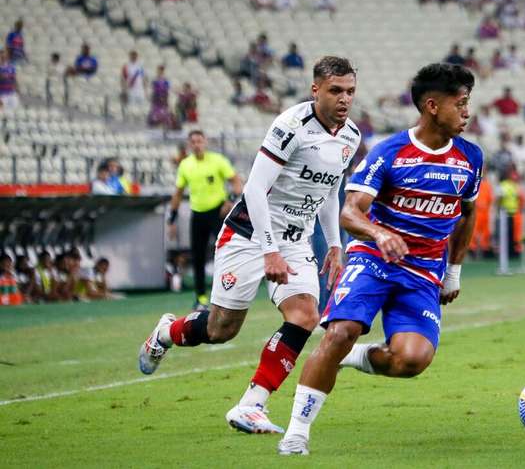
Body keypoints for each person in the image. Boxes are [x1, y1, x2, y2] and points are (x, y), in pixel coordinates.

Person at [139, 57, 360, 435]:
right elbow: (255, 188)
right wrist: (268, 249)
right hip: (248, 235)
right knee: (221, 329)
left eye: (350, 91)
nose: (344, 99)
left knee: (306, 315)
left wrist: (335, 244)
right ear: (316, 90)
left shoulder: (351, 136)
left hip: (294, 240)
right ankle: (165, 333)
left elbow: (328, 191)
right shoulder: (291, 126)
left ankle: (251, 404)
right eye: (336, 90)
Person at [276, 63, 482, 455]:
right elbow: (350, 211)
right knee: (340, 331)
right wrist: (380, 232)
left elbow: (467, 214)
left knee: (412, 360)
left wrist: (453, 272)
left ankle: (352, 358)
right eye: (462, 103)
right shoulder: (390, 152)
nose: (467, 112)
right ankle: (297, 432)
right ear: (433, 106)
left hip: (424, 272)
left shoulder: (470, 158)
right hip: (374, 259)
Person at [166, 130, 243, 310]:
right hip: (198, 214)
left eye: (199, 141)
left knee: (226, 253)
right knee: (198, 257)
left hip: (218, 213)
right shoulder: (185, 165)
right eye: (193, 141)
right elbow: (177, 193)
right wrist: (172, 219)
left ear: (205, 142)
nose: (196, 144)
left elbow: (237, 182)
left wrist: (230, 200)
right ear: (189, 144)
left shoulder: (217, 160)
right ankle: (200, 298)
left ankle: (230, 293)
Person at [497, 167, 524, 258]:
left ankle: (514, 252)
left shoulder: (515, 185)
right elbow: (499, 199)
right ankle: (506, 253)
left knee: (514, 235)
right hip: (506, 214)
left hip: (515, 213)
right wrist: (499, 210)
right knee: (506, 235)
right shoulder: (503, 185)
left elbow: (519, 198)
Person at [471, 167, 494, 258]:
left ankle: (485, 249)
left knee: (485, 232)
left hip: (485, 212)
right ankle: (472, 250)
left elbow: (490, 199)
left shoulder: (487, 185)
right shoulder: (475, 183)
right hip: (476, 211)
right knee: (474, 231)